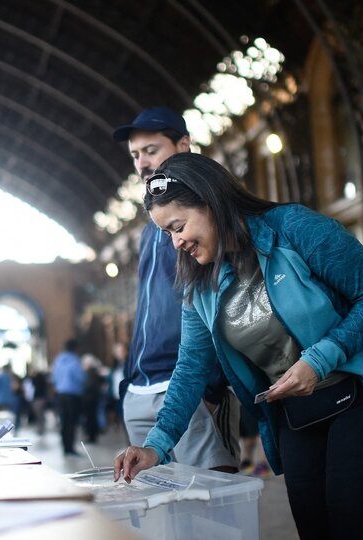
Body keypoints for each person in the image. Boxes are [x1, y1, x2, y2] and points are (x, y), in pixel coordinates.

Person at [113, 153, 363, 540]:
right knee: (314, 529)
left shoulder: (294, 228)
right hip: (299, 413)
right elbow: (190, 369)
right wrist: (156, 445)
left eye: (179, 226)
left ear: (212, 202)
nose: (176, 242)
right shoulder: (198, 286)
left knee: (354, 526)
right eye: (166, 234)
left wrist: (318, 360)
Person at [113, 107, 239, 471]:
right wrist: (128, 384)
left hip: (189, 387)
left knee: (214, 512)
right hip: (140, 389)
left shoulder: (211, 214)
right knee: (160, 517)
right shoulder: (151, 230)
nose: (142, 163)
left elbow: (228, 298)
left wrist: (212, 388)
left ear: (184, 145)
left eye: (151, 150)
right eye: (136, 155)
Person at [50, 338, 84, 457]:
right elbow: (80, 378)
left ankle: (65, 448)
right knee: (72, 422)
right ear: (75, 348)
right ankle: (71, 449)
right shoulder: (75, 360)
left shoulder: (58, 360)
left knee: (64, 422)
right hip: (72, 395)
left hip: (60, 395)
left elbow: (53, 378)